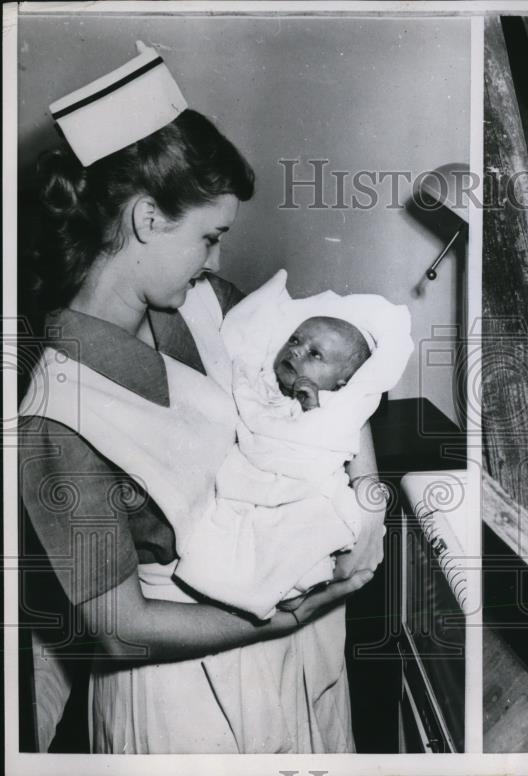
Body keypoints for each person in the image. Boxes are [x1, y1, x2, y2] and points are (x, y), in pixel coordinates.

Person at [19, 42, 384, 753]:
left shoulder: (206, 303)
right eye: (209, 236)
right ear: (148, 219)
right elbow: (119, 626)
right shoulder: (54, 415)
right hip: (184, 693)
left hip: (296, 650)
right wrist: (280, 619)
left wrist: (366, 500)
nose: (218, 259)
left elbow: (342, 380)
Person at [166, 269, 413, 621]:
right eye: (296, 340)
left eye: (315, 355)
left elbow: (329, 437)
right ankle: (259, 586)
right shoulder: (263, 381)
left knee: (307, 526)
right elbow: (248, 401)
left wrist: (313, 407)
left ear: (342, 382)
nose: (296, 352)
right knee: (239, 534)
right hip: (252, 477)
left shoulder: (336, 406)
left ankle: (295, 583)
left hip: (303, 482)